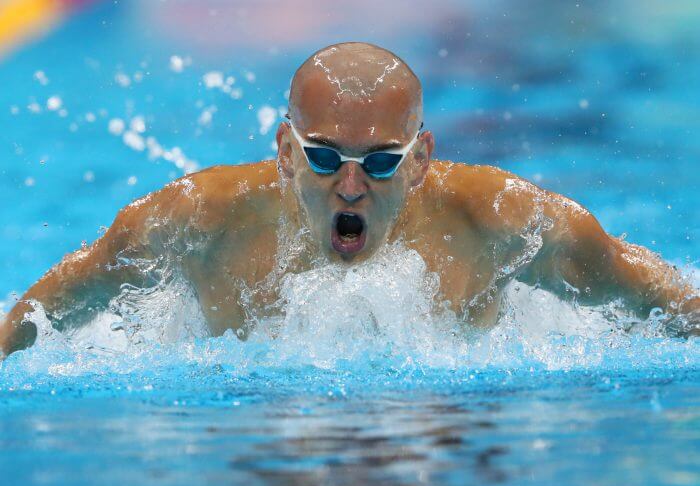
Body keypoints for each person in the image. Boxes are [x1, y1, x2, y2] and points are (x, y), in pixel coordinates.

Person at [1, 42, 698, 356]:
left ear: (421, 159)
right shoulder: (192, 221)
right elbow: (45, 310)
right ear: (284, 153)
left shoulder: (506, 224)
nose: (353, 185)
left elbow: (662, 301)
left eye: (383, 163)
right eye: (326, 157)